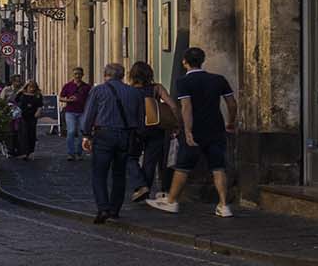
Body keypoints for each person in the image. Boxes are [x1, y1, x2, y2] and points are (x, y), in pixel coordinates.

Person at [147, 45, 237, 218]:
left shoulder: (183, 82)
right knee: (218, 168)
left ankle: (172, 201)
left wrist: (187, 131)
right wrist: (230, 122)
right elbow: (232, 104)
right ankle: (224, 205)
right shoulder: (218, 79)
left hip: (195, 130)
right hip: (216, 128)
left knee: (183, 167)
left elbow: (186, 107)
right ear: (202, 61)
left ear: (184, 62)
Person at [79, 59, 142, 224]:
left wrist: (86, 135)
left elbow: (89, 114)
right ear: (122, 76)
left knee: (99, 173)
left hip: (104, 135)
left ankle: (103, 208)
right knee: (119, 174)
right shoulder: (134, 92)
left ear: (106, 75)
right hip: (126, 135)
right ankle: (115, 209)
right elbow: (140, 117)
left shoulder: (98, 90)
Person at [126, 59, 176, 204]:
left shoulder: (128, 91)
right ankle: (145, 189)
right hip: (156, 128)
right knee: (150, 161)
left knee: (129, 157)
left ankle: (141, 186)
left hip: (135, 129)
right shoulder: (157, 88)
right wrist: (176, 123)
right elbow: (172, 105)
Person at [59, 66, 91, 161]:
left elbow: (91, 99)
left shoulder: (87, 87)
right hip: (70, 111)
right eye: (75, 74)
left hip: (82, 112)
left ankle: (79, 152)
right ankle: (70, 153)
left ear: (82, 75)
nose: (77, 76)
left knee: (82, 132)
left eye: (79, 74)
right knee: (71, 131)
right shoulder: (67, 86)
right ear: (73, 75)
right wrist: (68, 99)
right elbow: (61, 97)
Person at [12, 80, 43, 161]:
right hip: (22, 116)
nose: (32, 89)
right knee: (23, 134)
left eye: (34, 87)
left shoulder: (38, 95)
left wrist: (38, 111)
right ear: (27, 87)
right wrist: (21, 90)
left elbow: (40, 105)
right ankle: (24, 152)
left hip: (32, 116)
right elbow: (15, 99)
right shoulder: (22, 94)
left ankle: (30, 152)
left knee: (31, 133)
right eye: (30, 87)